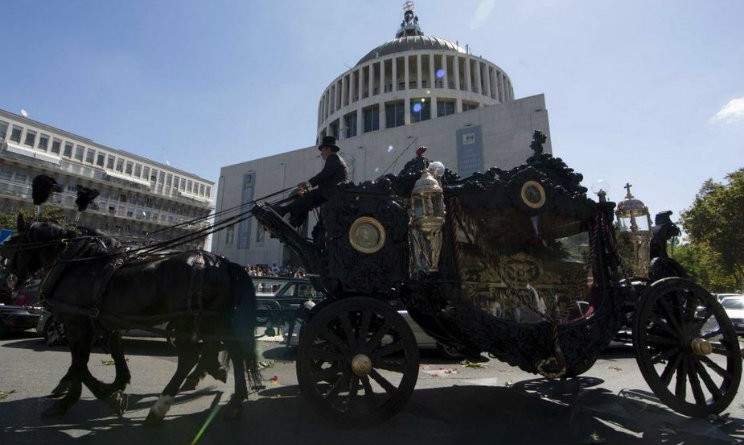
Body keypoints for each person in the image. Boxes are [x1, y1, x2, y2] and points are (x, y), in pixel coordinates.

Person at [273, 136, 349, 228]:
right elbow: (325, 177)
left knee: (306, 196)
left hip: (332, 192)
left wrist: (307, 184)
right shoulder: (336, 159)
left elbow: (324, 175)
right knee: (304, 198)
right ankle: (294, 221)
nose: (321, 153)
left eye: (322, 150)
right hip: (331, 191)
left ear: (328, 148)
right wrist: (305, 187)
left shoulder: (333, 157)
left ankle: (284, 211)